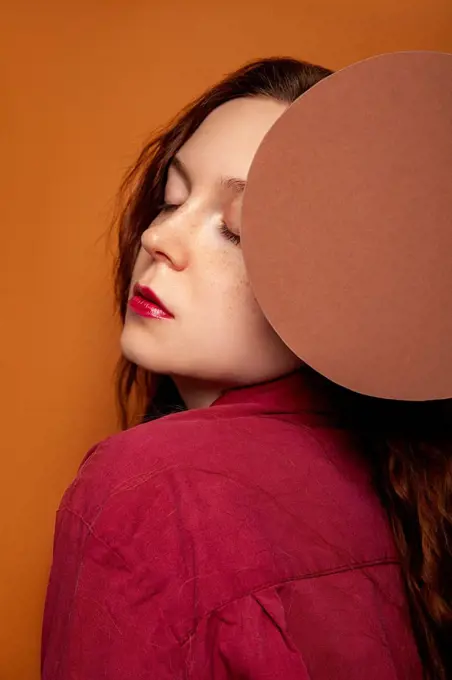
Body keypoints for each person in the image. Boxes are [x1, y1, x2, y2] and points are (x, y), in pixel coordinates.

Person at [41, 57, 451, 680]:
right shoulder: (409, 502)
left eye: (237, 230)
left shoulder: (150, 490)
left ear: (353, 287)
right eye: (170, 197)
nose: (160, 238)